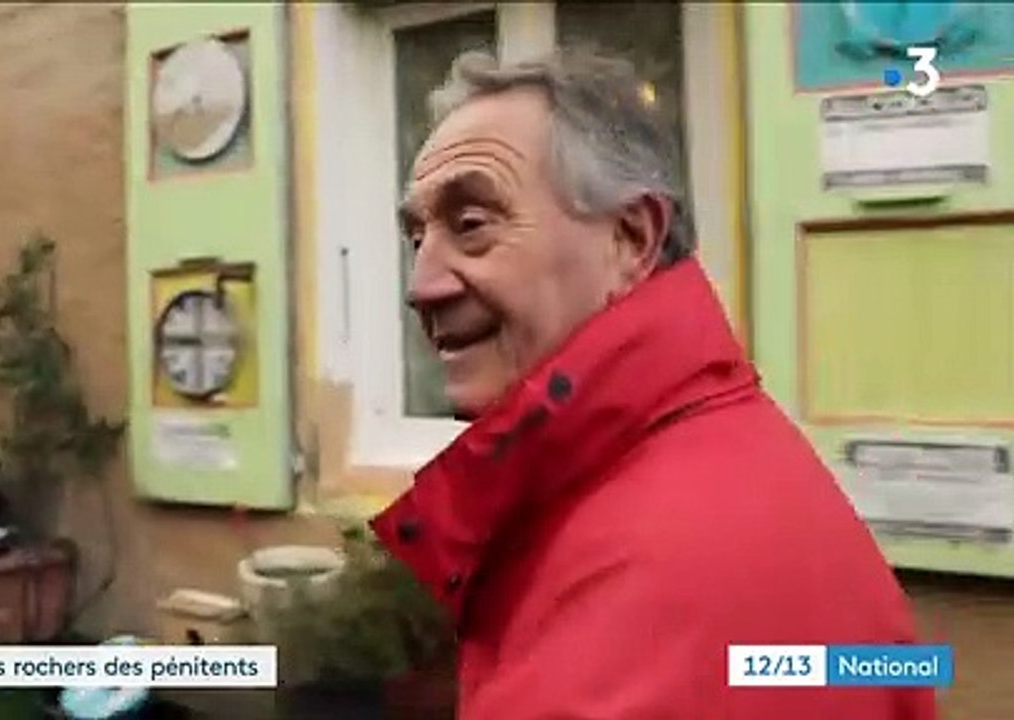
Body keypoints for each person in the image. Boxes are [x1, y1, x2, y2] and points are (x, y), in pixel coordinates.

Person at [369, 49, 938, 720]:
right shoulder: (684, 461)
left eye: (471, 227)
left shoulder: (653, 580)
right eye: (416, 240)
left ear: (632, 239)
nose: (421, 286)